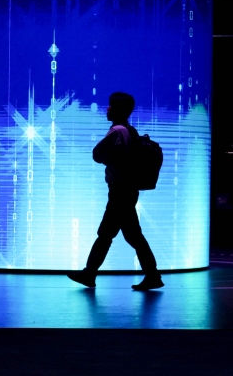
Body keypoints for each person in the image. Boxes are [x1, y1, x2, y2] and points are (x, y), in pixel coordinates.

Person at [67, 92, 164, 291]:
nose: (107, 109)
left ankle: (89, 273)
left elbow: (97, 154)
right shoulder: (130, 130)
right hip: (127, 190)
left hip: (120, 190)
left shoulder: (118, 131)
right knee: (132, 236)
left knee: (106, 234)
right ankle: (152, 275)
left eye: (110, 106)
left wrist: (110, 159)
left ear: (118, 109)